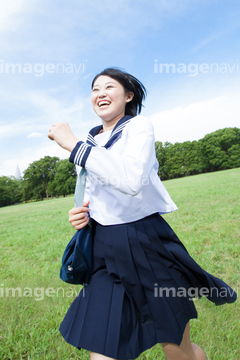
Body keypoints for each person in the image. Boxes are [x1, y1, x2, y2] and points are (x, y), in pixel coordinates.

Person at [48, 67, 237, 360]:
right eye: (95, 89)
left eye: (109, 87)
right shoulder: (88, 141)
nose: (100, 94)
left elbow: (131, 181)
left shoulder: (138, 127)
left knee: (176, 346)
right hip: (103, 250)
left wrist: (73, 145)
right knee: (103, 348)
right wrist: (79, 213)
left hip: (144, 242)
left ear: (128, 96)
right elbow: (93, 191)